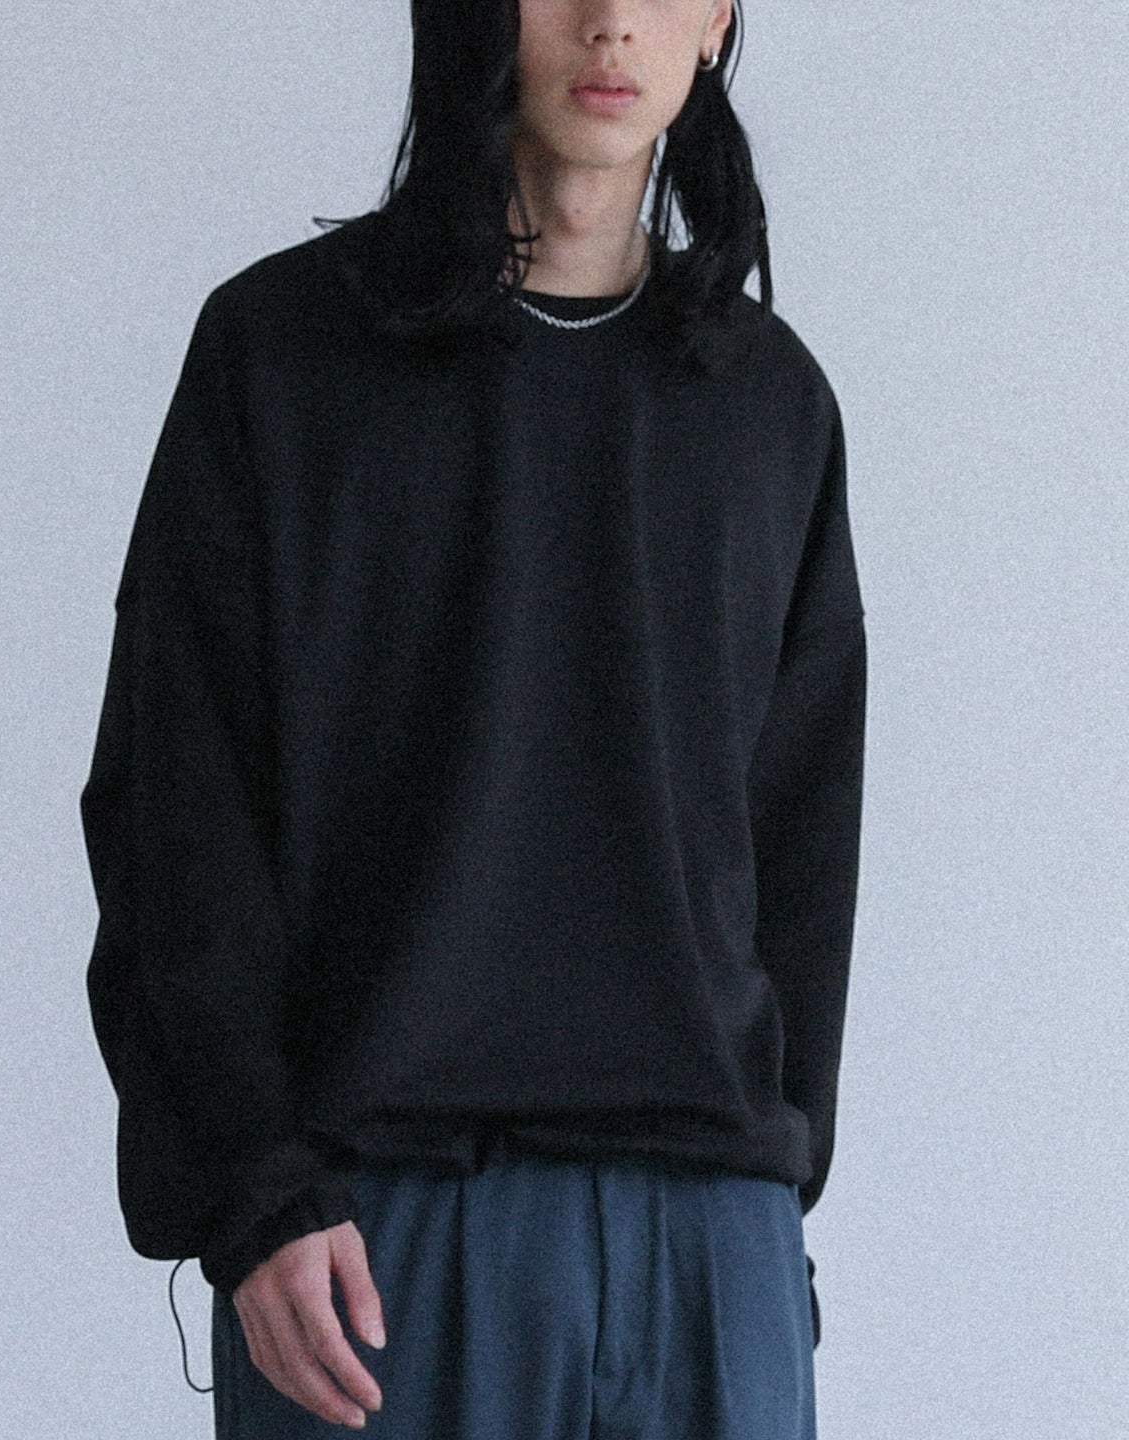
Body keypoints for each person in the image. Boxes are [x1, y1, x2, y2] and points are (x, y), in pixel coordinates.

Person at [79, 0, 867, 1435]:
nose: (611, 22)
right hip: (386, 1246)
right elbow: (176, 806)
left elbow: (801, 856)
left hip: (713, 1246)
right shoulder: (285, 355)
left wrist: (769, 1200)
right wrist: (253, 1188)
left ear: (717, 18)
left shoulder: (769, 404)